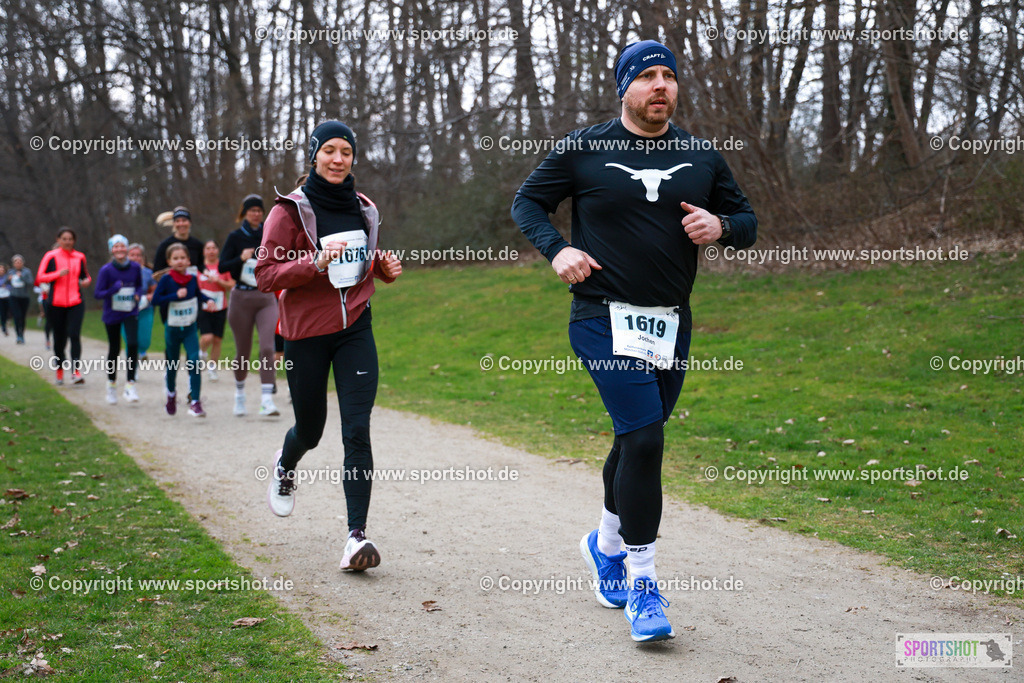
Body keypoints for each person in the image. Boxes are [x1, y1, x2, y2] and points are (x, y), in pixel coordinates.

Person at [511, 40, 757, 643]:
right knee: (645, 437)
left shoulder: (699, 155)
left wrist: (722, 226)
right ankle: (642, 584)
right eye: (646, 75)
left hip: (670, 320)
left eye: (669, 75)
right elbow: (527, 203)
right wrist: (559, 248)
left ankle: (604, 546)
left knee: (636, 439)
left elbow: (747, 222)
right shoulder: (584, 148)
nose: (660, 85)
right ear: (625, 86)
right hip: (600, 316)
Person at [255, 120, 403, 571]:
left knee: (356, 429)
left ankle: (356, 537)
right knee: (311, 430)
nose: (339, 160)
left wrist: (381, 267)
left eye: (346, 152)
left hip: (356, 326)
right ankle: (285, 464)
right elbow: (265, 275)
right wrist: (312, 263)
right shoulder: (288, 211)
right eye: (330, 151)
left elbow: (359, 263)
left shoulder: (365, 208)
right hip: (306, 335)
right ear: (315, 154)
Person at [219, 194, 280, 416]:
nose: (256, 214)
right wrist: (241, 259)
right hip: (241, 298)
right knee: (242, 352)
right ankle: (240, 394)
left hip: (265, 298)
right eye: (252, 210)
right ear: (244, 213)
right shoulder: (235, 237)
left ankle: (266, 400)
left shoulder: (269, 233)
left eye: (259, 210)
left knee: (267, 347)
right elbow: (223, 265)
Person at [151, 243, 213, 417]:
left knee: (194, 361)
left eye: (183, 258)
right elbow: (155, 300)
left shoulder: (192, 279)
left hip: (190, 328)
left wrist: (207, 300)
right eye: (175, 258)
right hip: (172, 329)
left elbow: (198, 295)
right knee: (172, 365)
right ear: (169, 261)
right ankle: (171, 395)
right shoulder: (166, 280)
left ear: (188, 260)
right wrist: (173, 296)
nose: (179, 261)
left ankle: (195, 402)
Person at [36, 228, 92, 385]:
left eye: (70, 239)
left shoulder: (80, 256)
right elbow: (40, 277)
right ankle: (60, 369)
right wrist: (57, 274)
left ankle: (75, 371)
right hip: (56, 303)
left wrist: (87, 280)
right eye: (64, 238)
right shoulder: (51, 256)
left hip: (76, 301)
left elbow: (84, 275)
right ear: (58, 240)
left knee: (74, 334)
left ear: (74, 240)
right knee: (59, 338)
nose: (67, 241)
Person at [94, 235, 142, 404]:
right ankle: (111, 384)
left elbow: (139, 285)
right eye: (116, 247)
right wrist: (112, 290)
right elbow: (97, 294)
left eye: (123, 246)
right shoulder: (106, 270)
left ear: (127, 249)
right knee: (114, 349)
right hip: (112, 314)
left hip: (130, 311)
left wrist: (138, 293)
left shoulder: (135, 267)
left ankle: (130, 385)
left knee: (133, 344)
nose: (120, 249)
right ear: (111, 250)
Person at [198, 239, 234, 381]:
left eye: (214, 248)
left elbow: (231, 284)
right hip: (204, 307)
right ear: (204, 251)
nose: (211, 251)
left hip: (220, 307)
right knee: (208, 337)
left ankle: (212, 368)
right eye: (208, 248)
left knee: (217, 340)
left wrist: (218, 280)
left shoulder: (223, 266)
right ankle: (201, 351)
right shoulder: (200, 268)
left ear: (218, 250)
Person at [125, 243, 157, 360]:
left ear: (143, 257)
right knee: (130, 340)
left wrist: (149, 297)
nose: (135, 258)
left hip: (145, 309)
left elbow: (155, 290)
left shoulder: (148, 273)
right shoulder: (120, 271)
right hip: (126, 311)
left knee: (144, 341)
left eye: (138, 255)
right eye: (132, 255)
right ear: (127, 256)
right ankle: (132, 370)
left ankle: (142, 350)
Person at [7, 255, 33, 345]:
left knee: (22, 317)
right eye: (16, 262)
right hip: (13, 297)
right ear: (13, 263)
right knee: (16, 316)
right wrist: (8, 279)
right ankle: (18, 335)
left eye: (19, 262)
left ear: (23, 262)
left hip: (24, 297)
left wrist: (22, 277)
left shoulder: (27, 271)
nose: (18, 263)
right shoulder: (10, 272)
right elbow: (5, 283)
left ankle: (22, 334)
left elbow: (30, 282)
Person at [0, 264, 9, 336]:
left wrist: (6, 285)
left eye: (2, 270)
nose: (1, 271)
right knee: (2, 313)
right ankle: (4, 327)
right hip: (0, 297)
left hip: (7, 296)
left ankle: (7, 322)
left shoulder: (7, 277)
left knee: (8, 312)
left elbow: (11, 285)